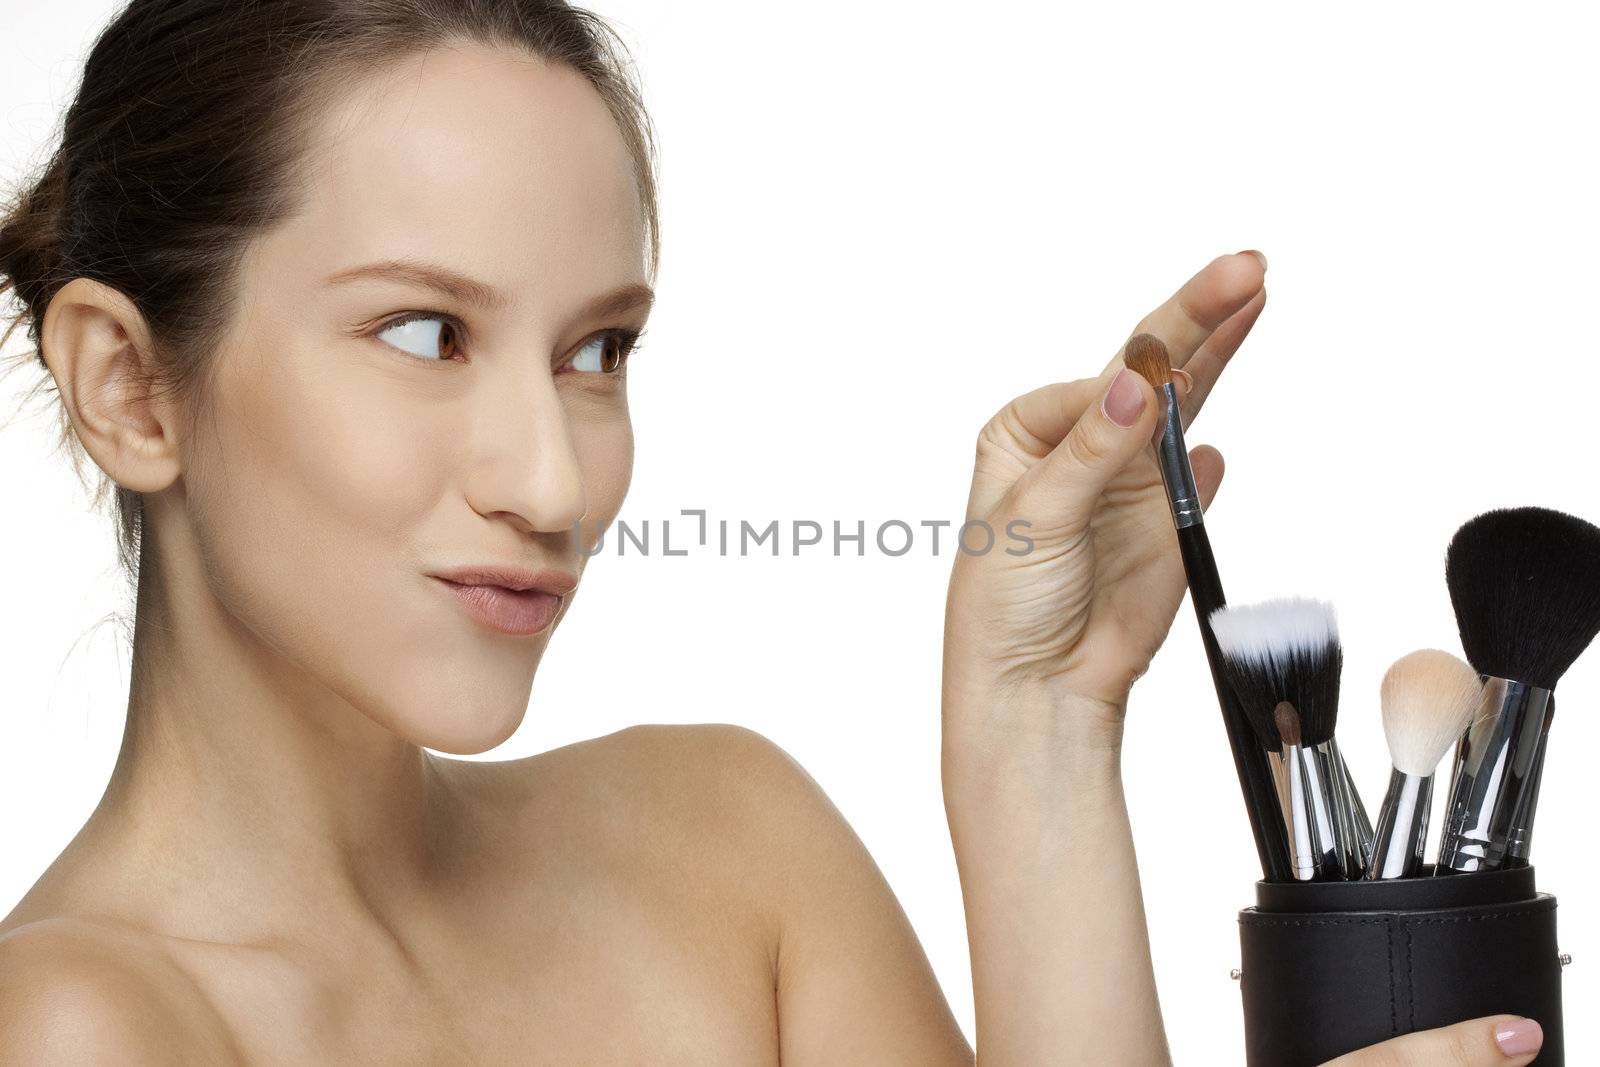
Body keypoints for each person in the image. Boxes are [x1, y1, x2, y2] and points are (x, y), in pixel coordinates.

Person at [0, 2, 1545, 1063]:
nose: (552, 479)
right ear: (131, 388)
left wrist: (1039, 724)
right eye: (423, 336)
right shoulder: (81, 1026)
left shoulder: (725, 849)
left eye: (597, 352)